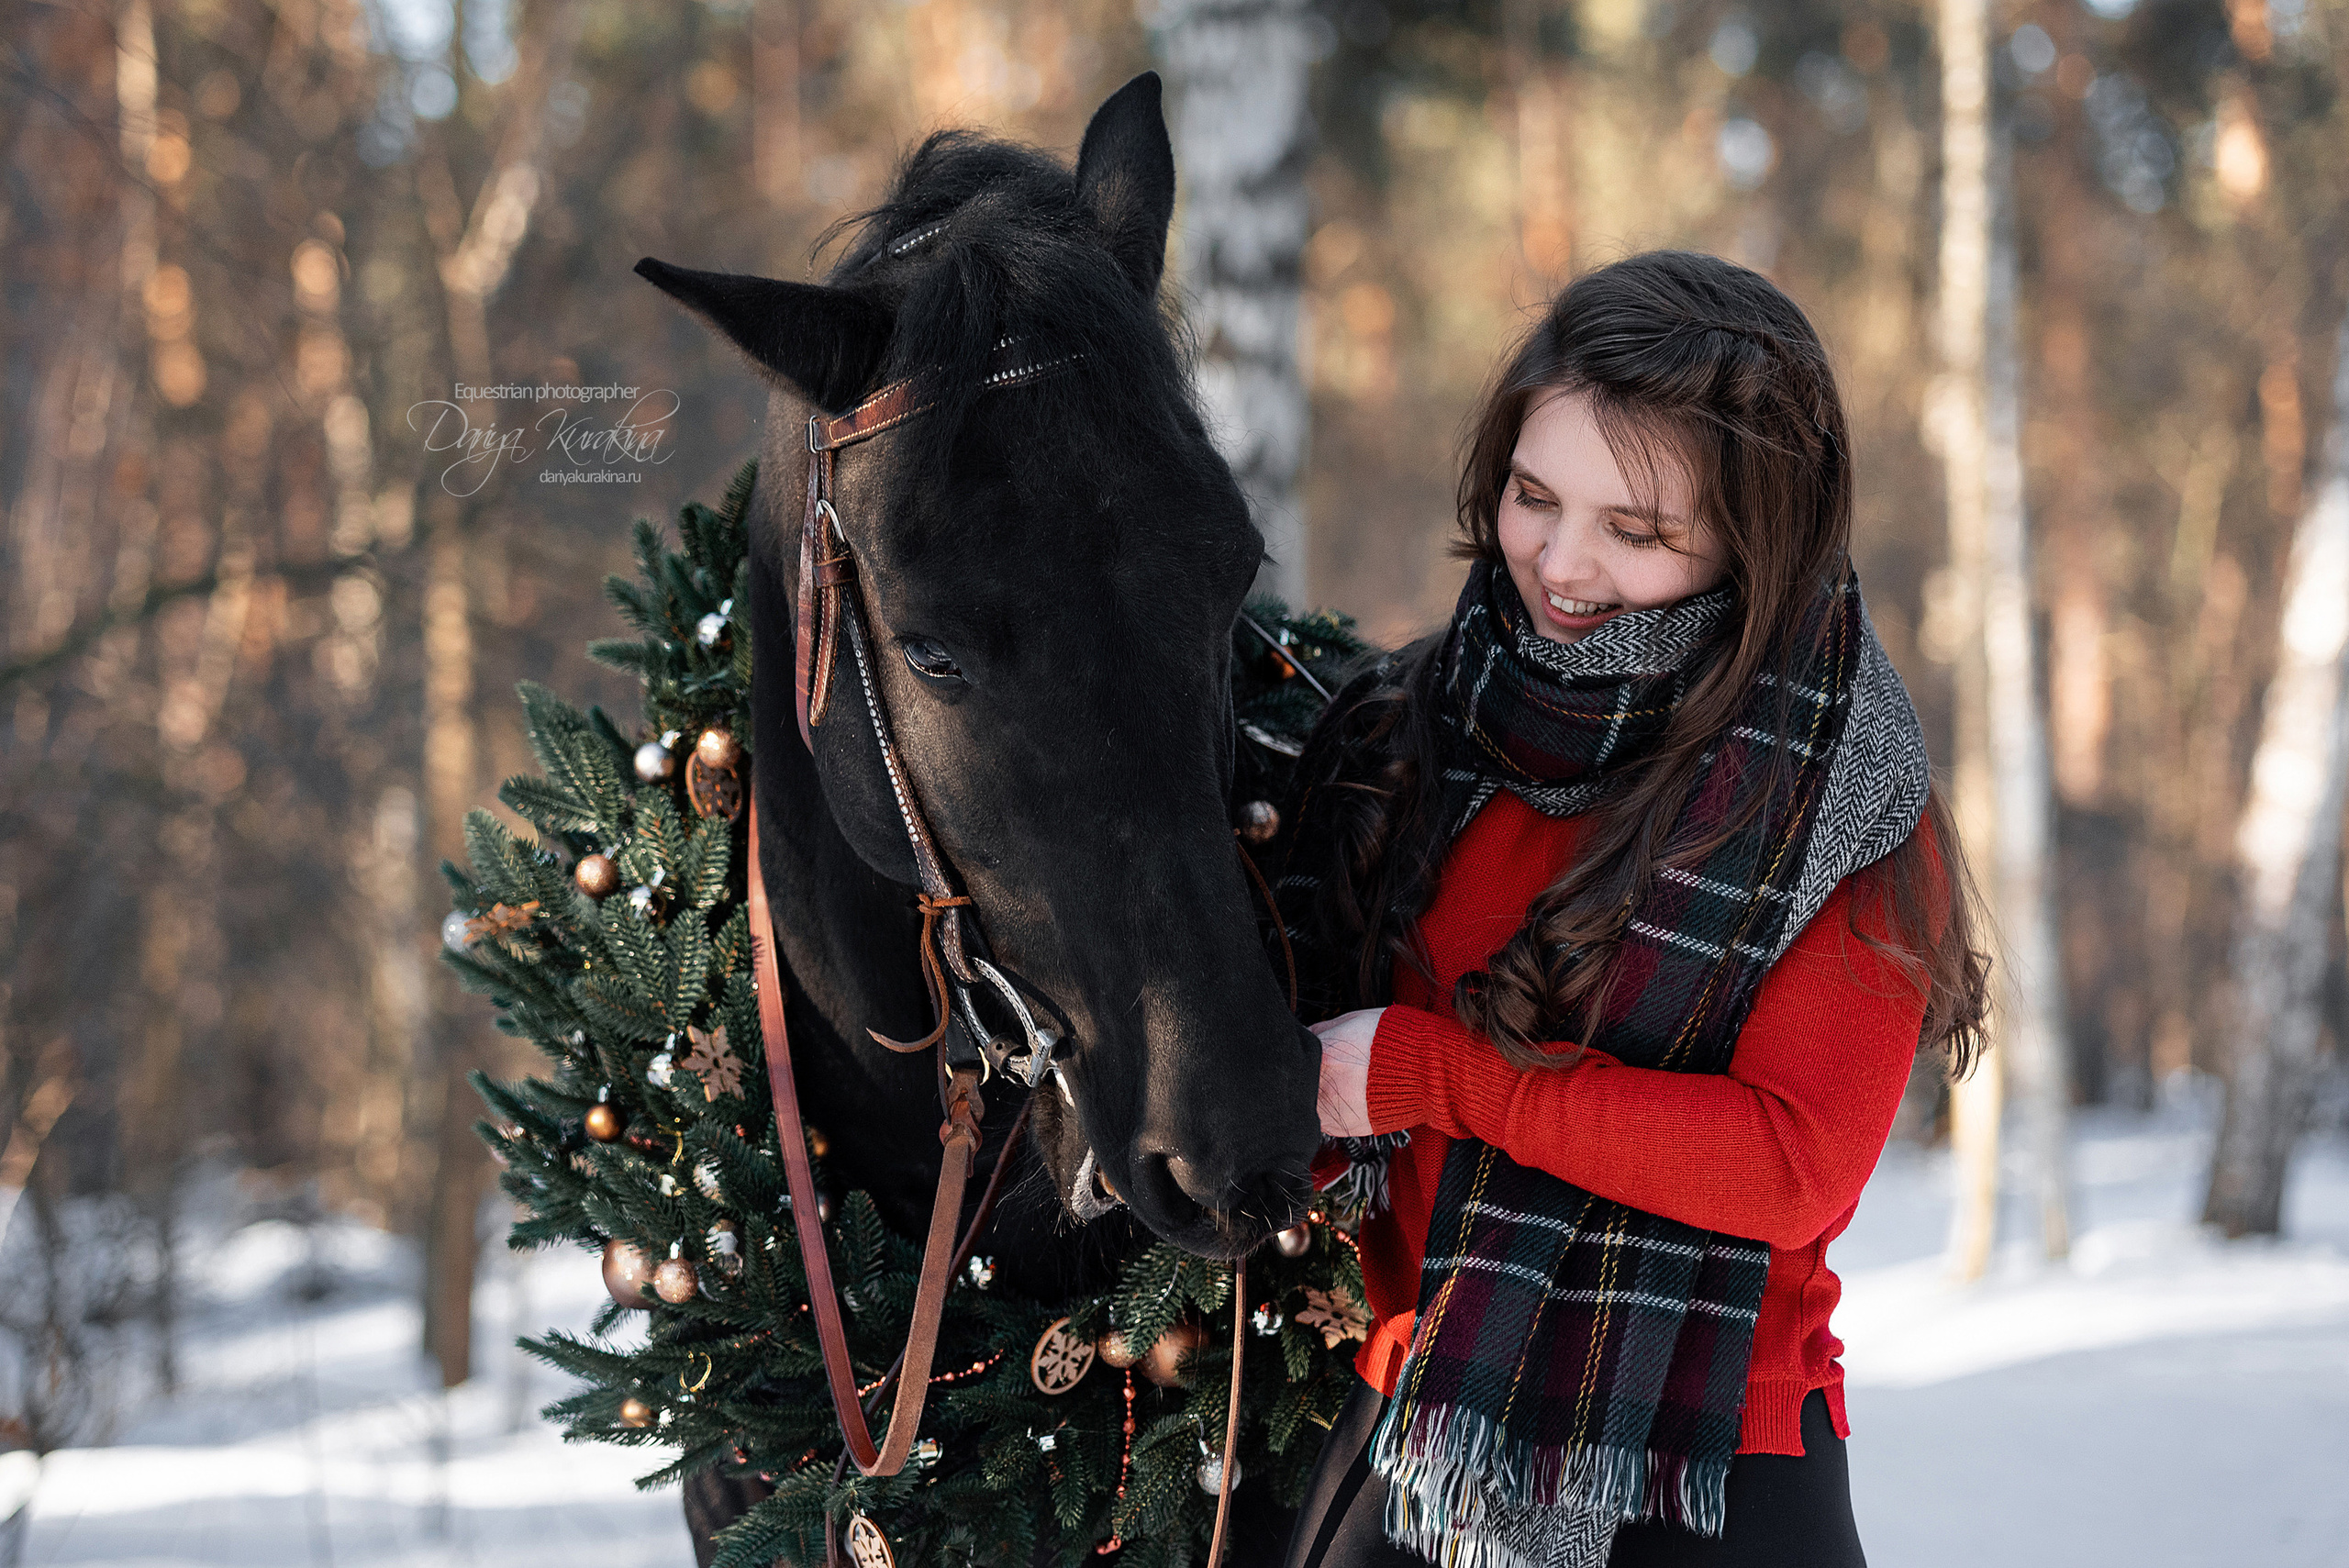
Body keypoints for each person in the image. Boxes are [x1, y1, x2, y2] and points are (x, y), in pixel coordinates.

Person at [1272, 250, 1990, 1568]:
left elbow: (1789, 1162)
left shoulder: (1838, 787)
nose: (1563, 561)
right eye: (1534, 496)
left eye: (1637, 530)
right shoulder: (1408, 725)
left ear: (1753, 538)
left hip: (1709, 1477)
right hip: (1410, 1437)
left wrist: (1437, 1074)